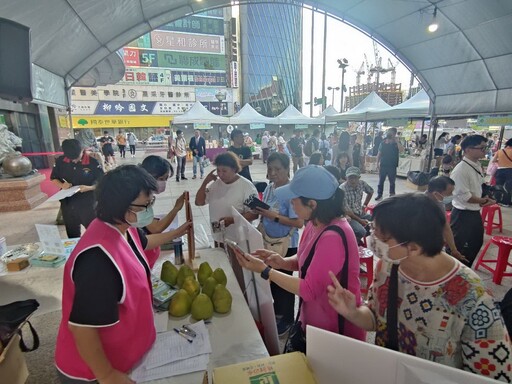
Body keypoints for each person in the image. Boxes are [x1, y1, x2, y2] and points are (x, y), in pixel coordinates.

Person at [327, 193, 512, 381]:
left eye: (381, 237)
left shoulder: (472, 296)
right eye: (373, 230)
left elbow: (495, 376)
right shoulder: (389, 266)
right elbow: (379, 320)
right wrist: (353, 313)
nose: (372, 239)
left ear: (414, 247)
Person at [55, 165, 191, 383]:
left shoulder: (123, 227)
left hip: (130, 356)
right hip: (94, 372)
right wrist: (107, 375)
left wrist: (178, 232)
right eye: (144, 205)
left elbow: (145, 243)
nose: (149, 210)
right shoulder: (98, 259)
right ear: (119, 206)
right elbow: (82, 328)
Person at [233, 165, 366, 344]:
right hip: (315, 320)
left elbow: (309, 290)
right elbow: (307, 258)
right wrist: (282, 262)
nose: (290, 203)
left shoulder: (333, 236)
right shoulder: (315, 223)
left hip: (335, 330)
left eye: (294, 199)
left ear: (312, 204)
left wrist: (266, 271)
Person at [255, 152, 304, 335]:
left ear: (287, 169)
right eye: (270, 169)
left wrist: (272, 216)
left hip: (286, 243)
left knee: (284, 283)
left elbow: (299, 222)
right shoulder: (270, 187)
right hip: (269, 240)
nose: (273, 173)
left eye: (278, 169)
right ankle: (278, 312)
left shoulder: (291, 192)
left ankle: (288, 320)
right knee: (273, 279)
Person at [195, 152, 258, 248]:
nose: (220, 174)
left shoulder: (246, 186)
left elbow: (254, 214)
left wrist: (232, 220)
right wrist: (205, 182)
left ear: (234, 169)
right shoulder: (215, 185)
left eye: (224, 171)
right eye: (218, 170)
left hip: (239, 239)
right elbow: (199, 202)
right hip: (218, 237)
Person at [450, 134, 495, 267]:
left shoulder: (476, 165)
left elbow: (479, 186)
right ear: (468, 149)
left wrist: (485, 198)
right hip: (462, 214)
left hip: (473, 212)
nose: (485, 150)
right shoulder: (460, 170)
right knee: (458, 248)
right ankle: (454, 274)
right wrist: (482, 201)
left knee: (475, 243)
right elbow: (465, 196)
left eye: (486, 147)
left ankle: (464, 273)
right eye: (482, 148)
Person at [140, 155, 187, 268]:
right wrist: (176, 209)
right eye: (161, 179)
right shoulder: (138, 195)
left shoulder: (145, 193)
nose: (163, 183)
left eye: (166, 179)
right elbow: (155, 228)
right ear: (148, 175)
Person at [51, 139, 104, 238]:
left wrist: (90, 187)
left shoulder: (92, 162)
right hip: (68, 204)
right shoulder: (61, 161)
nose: (74, 161)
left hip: (87, 204)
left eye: (76, 157)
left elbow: (102, 181)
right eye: (71, 159)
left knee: (94, 232)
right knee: (72, 235)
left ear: (82, 150)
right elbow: (54, 178)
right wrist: (62, 185)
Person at [425, 176, 466, 262]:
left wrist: (454, 250)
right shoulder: (418, 204)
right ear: (436, 193)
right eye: (449, 193)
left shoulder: (438, 202)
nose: (451, 196)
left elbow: (445, 227)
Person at [340, 167, 373, 244]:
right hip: (348, 216)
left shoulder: (362, 183)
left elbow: (370, 191)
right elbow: (347, 211)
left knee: (375, 220)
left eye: (355, 177)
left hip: (359, 212)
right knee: (361, 231)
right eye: (350, 178)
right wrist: (360, 221)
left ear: (359, 177)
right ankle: (353, 241)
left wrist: (364, 205)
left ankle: (356, 239)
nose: (353, 180)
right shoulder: (342, 189)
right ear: (346, 178)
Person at [376, 127, 403, 201]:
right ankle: (379, 194)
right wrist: (377, 163)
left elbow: (401, 150)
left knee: (392, 182)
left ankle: (392, 194)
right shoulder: (383, 142)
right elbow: (379, 153)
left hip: (392, 165)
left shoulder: (396, 143)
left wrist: (397, 141)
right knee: (381, 181)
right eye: (388, 132)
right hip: (383, 164)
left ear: (394, 134)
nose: (389, 134)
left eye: (391, 133)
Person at [492, 138, 512, 206]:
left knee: (498, 185)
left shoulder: (500, 151)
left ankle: (497, 200)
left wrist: (500, 162)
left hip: (500, 170)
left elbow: (493, 161)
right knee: (508, 187)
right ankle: (506, 202)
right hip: (510, 170)